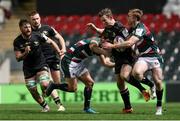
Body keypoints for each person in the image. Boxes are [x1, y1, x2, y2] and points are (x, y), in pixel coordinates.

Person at [87, 8, 156, 113]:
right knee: (120, 84)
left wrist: (118, 47)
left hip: (126, 56)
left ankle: (144, 89)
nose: (103, 23)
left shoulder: (119, 27)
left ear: (110, 17)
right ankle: (128, 108)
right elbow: (104, 32)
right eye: (102, 21)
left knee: (124, 75)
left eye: (105, 20)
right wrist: (96, 29)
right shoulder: (108, 28)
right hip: (117, 57)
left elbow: (129, 40)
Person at [102, 8, 164, 115]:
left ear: (134, 18)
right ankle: (150, 85)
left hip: (154, 56)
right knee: (136, 73)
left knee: (158, 82)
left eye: (129, 16)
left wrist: (112, 45)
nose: (127, 18)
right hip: (143, 57)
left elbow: (130, 43)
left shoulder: (140, 28)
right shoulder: (132, 29)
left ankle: (159, 107)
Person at [46, 37, 115, 113]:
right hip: (68, 61)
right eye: (109, 43)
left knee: (90, 83)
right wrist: (109, 53)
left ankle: (87, 108)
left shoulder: (101, 48)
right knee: (72, 89)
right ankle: (54, 85)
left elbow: (105, 63)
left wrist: (117, 64)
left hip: (78, 62)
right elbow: (93, 47)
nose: (109, 46)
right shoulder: (95, 41)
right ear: (103, 39)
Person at [13, 19, 63, 112]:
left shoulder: (38, 35)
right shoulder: (17, 41)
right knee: (32, 89)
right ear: (21, 28)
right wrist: (25, 53)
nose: (28, 29)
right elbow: (18, 58)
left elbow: (51, 42)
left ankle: (58, 103)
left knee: (44, 84)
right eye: (25, 27)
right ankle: (45, 106)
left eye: (29, 27)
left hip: (41, 64)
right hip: (28, 69)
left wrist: (59, 52)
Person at [28, 11, 66, 111]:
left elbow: (60, 38)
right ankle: (59, 105)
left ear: (40, 18)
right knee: (49, 82)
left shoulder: (48, 28)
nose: (36, 21)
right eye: (33, 19)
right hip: (41, 61)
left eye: (37, 18)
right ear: (30, 20)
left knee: (57, 83)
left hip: (53, 58)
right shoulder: (29, 32)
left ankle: (46, 90)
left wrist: (63, 48)